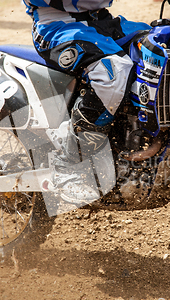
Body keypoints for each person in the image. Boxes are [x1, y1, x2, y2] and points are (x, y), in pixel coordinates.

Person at [22, 0, 150, 204]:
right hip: (57, 26)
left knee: (160, 43)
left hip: (101, 20)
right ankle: (67, 164)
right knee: (111, 72)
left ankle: (129, 141)